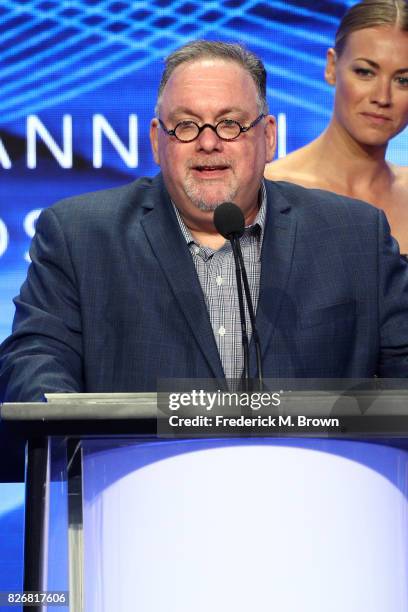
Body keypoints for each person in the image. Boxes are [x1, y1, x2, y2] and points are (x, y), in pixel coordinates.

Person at [1, 40, 408, 403]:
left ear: (268, 137)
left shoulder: (355, 236)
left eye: (230, 123)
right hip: (133, 482)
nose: (208, 142)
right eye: (186, 125)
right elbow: (35, 360)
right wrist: (62, 422)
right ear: (157, 142)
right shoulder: (80, 235)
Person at [265, 0, 408, 255]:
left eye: (402, 80)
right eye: (365, 72)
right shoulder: (270, 189)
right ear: (332, 67)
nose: (382, 97)